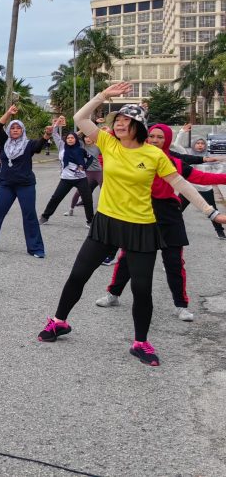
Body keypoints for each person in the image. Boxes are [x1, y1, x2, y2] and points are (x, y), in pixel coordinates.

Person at [37, 84, 226, 367]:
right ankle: (59, 321)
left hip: (141, 227)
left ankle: (140, 342)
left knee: (141, 288)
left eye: (127, 120)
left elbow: (181, 185)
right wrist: (104, 96)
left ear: (138, 126)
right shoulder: (108, 143)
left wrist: (211, 213)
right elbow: (80, 118)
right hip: (106, 223)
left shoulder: (154, 155)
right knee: (78, 276)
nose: (121, 124)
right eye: (118, 120)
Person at [97, 123, 226, 321]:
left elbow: (201, 177)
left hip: (169, 215)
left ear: (167, 140)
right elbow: (108, 155)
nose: (155, 140)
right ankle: (113, 294)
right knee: (127, 259)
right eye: (152, 136)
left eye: (160, 137)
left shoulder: (175, 161)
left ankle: (181, 306)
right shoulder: (134, 155)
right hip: (141, 212)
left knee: (174, 261)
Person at [0, 105, 50, 256]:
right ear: (9, 131)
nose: (15, 130)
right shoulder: (4, 143)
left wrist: (47, 135)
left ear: (22, 130)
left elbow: (39, 145)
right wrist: (9, 113)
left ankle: (36, 248)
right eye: (13, 128)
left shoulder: (28, 144)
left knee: (29, 215)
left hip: (25, 185)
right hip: (6, 185)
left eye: (18, 128)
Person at [172, 124, 226, 240]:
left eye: (202, 144)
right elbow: (176, 145)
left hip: (206, 189)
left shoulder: (209, 157)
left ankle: (220, 231)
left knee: (213, 211)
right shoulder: (188, 155)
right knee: (176, 209)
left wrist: (215, 176)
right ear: (193, 145)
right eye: (198, 143)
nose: (200, 145)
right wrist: (182, 131)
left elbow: (220, 167)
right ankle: (170, 229)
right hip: (189, 188)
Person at [39, 116, 95, 227]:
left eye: (72, 138)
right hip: (66, 179)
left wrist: (84, 167)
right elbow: (54, 133)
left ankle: (90, 221)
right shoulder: (61, 146)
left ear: (75, 139)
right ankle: (45, 217)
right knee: (56, 198)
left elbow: (90, 158)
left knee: (88, 200)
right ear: (66, 139)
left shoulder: (80, 149)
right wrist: (57, 123)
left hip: (81, 179)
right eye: (68, 138)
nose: (70, 139)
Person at [65, 132, 102, 217]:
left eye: (89, 137)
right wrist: (82, 130)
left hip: (98, 172)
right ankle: (71, 209)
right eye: (86, 137)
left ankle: (104, 212)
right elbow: (73, 136)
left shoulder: (98, 147)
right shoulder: (81, 146)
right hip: (87, 173)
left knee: (104, 191)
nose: (87, 139)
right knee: (78, 192)